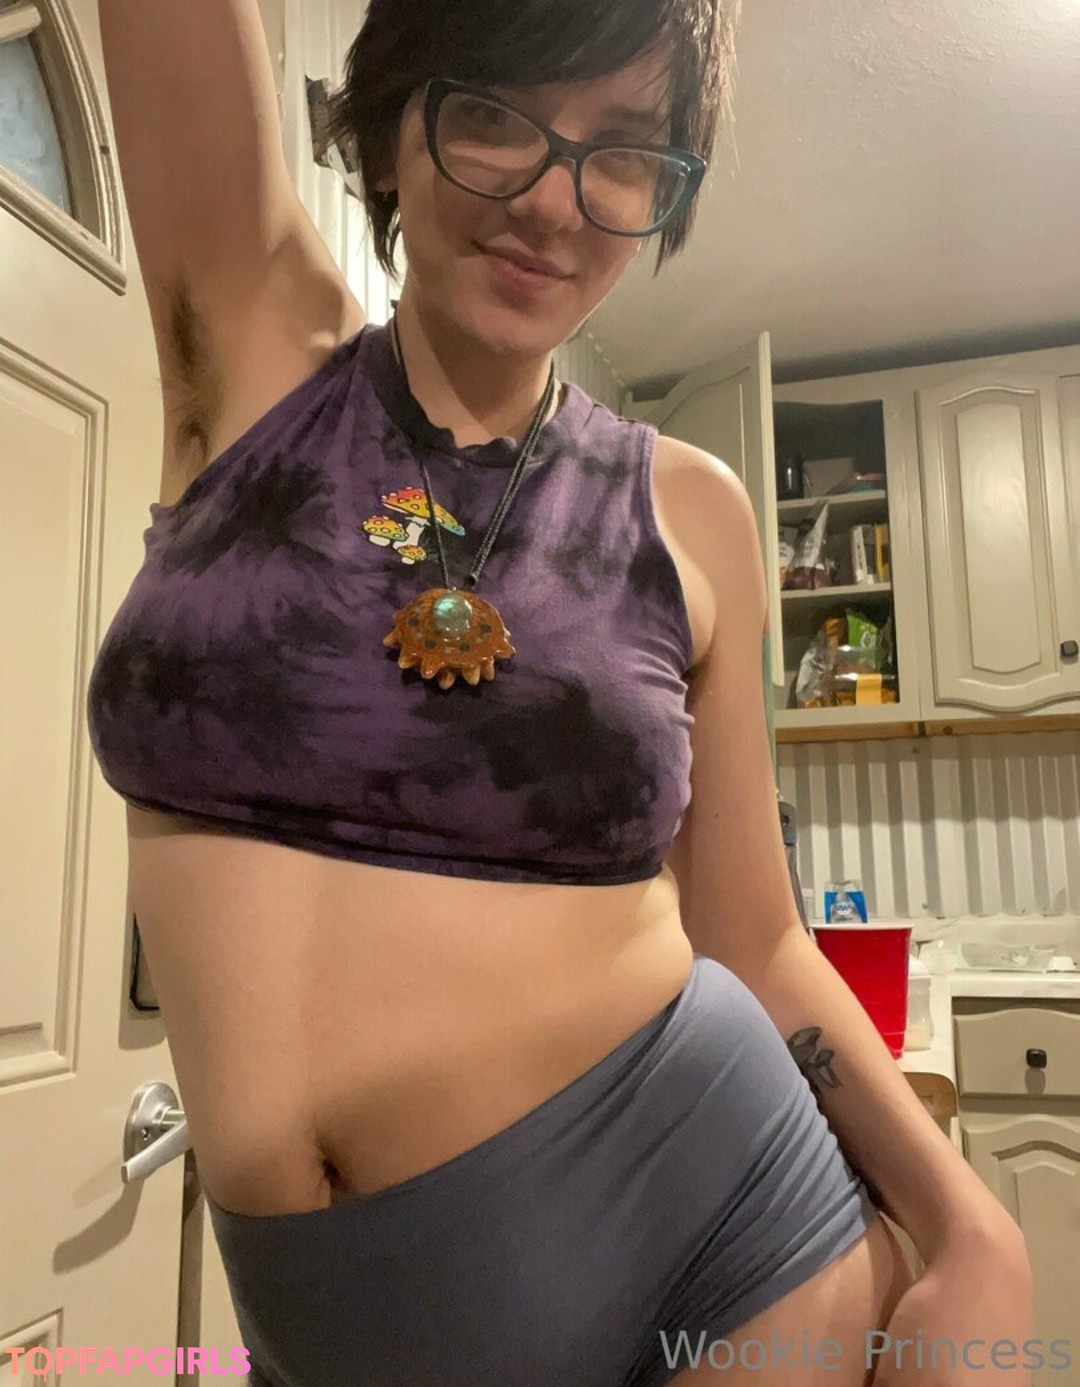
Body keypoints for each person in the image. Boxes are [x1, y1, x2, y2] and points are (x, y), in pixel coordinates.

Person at [88, 1, 1030, 1384]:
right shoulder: (255, 347)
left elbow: (754, 937)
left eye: (626, 152)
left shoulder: (691, 512)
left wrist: (969, 1223)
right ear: (392, 128)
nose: (551, 200)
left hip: (729, 1240)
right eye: (493, 114)